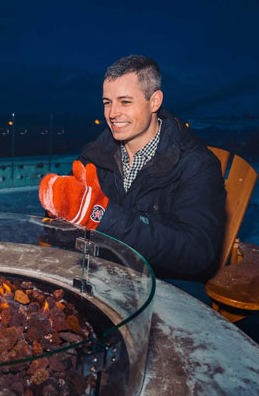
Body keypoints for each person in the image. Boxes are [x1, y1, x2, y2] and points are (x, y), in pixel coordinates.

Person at [39, 55, 226, 281]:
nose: (112, 113)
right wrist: (59, 210)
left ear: (154, 101)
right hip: (100, 276)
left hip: (165, 285)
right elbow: (59, 230)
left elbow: (195, 253)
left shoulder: (197, 165)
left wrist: (100, 214)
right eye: (107, 102)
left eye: (125, 102)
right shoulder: (96, 153)